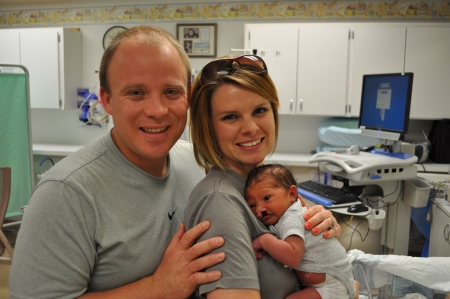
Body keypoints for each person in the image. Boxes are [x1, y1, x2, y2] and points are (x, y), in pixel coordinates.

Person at [9, 25, 226, 299]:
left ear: (189, 96)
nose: (157, 111)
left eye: (171, 91)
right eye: (136, 93)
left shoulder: (196, 164)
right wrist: (159, 288)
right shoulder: (65, 193)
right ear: (107, 100)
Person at [184, 54, 343, 299]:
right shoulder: (222, 203)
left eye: (259, 110)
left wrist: (319, 229)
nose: (250, 128)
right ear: (208, 127)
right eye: (230, 117)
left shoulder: (256, 184)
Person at [244, 164, 356, 299]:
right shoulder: (285, 214)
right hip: (334, 278)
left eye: (266, 198)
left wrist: (264, 240)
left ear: (292, 194)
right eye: (252, 205)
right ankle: (352, 289)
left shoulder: (291, 217)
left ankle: (350, 290)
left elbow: (293, 257)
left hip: (331, 286)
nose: (259, 209)